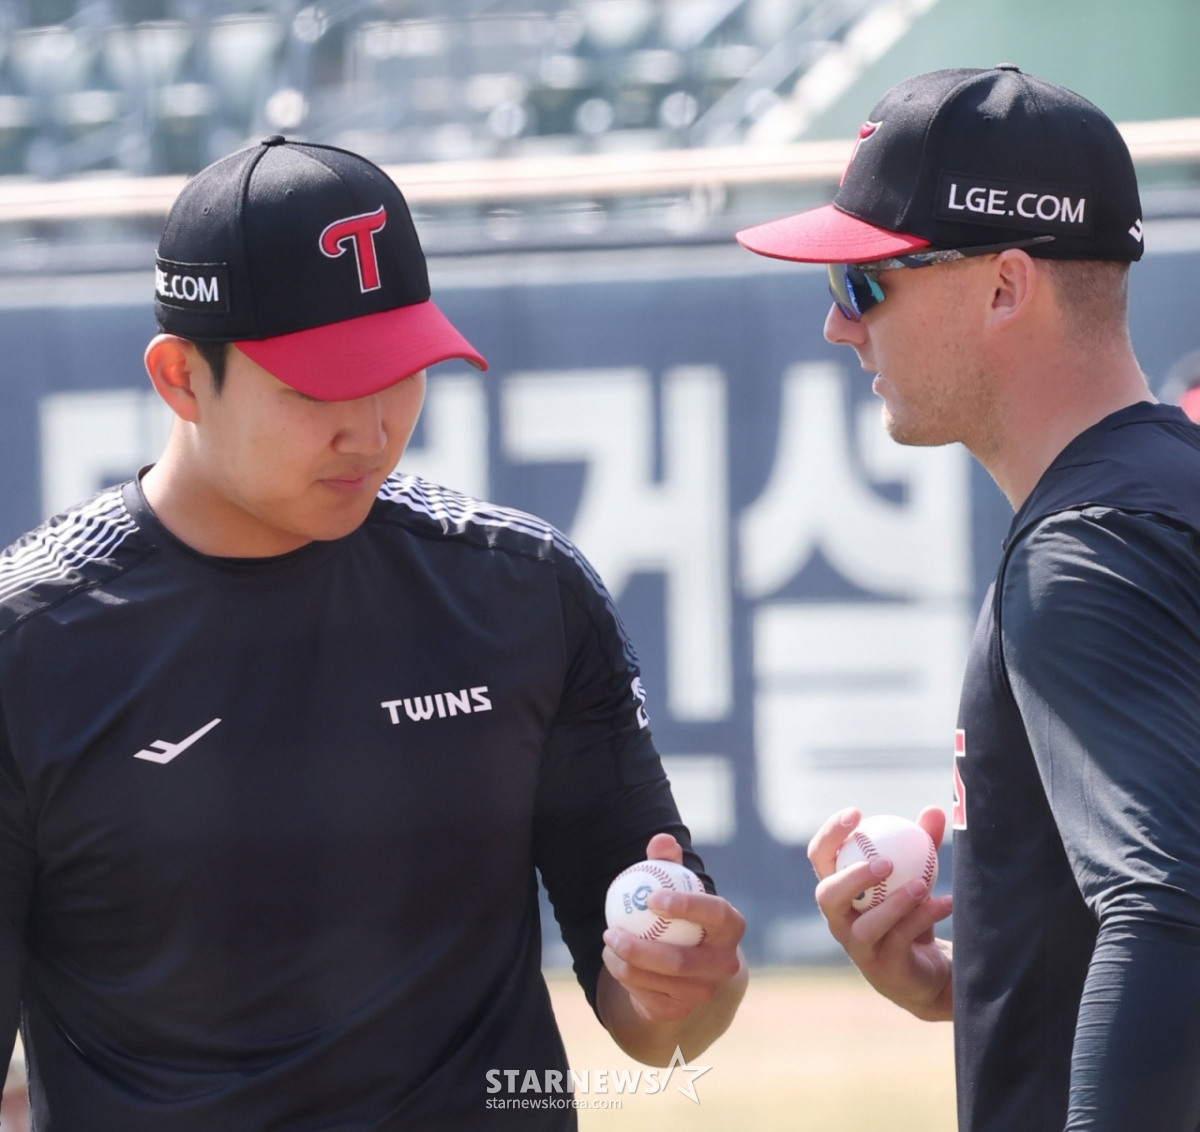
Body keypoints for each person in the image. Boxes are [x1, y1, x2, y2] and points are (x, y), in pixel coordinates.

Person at [0, 137, 747, 1130]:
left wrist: (690, 976)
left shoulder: (523, 593)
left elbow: (663, 1028)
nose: (374, 427)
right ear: (181, 377)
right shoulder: (33, 647)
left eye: (400, 369)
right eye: (316, 388)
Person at [738, 66, 1200, 1132]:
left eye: (865, 284)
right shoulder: (1164, 495)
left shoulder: (1084, 547)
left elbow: (1171, 907)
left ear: (1002, 286)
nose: (839, 327)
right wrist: (982, 981)